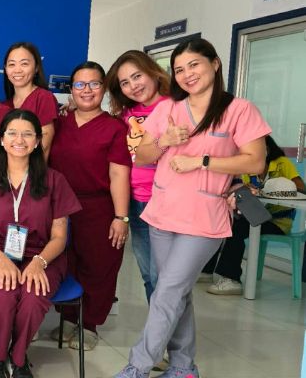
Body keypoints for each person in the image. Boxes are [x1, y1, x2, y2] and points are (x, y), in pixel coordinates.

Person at [114, 38, 270, 378]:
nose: (187, 74)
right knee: (177, 292)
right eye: (179, 69)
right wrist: (165, 141)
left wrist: (201, 159)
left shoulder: (239, 109)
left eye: (194, 65)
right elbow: (141, 155)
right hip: (162, 213)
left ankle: (136, 367)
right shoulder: (167, 109)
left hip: (204, 218)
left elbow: (256, 162)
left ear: (214, 64)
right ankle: (184, 367)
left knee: (168, 290)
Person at [0, 110, 81, 378]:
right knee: (3, 293)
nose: (19, 139)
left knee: (32, 297)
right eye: (12, 133)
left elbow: (59, 237)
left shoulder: (55, 180)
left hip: (43, 256)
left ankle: (18, 357)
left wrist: (39, 262)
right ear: (1, 139)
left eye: (27, 134)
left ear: (37, 141)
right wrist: (2, 260)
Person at [48, 61, 131, 350]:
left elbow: (119, 173)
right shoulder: (59, 123)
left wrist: (121, 217)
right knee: (65, 264)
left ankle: (89, 325)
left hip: (98, 208)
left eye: (94, 84)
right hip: (59, 208)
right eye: (80, 85)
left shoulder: (114, 128)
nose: (87, 90)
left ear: (104, 89)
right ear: (71, 90)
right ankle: (68, 320)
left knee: (99, 267)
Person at [104, 50, 171, 302]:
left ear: (152, 72)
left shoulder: (174, 106)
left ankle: (167, 332)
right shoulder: (127, 114)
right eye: (125, 82)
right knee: (148, 275)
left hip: (165, 200)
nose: (133, 86)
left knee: (163, 275)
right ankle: (159, 333)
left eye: (137, 76)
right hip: (136, 200)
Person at [202, 135, 305, 295]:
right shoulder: (247, 168)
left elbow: (300, 186)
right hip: (255, 213)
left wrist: (274, 190)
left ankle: (231, 279)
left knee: (235, 228)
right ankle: (207, 270)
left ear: (266, 150)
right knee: (223, 221)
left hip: (278, 222)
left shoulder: (281, 163)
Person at [2, 43, 59, 156]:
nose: (17, 70)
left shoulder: (44, 98)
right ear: (5, 69)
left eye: (24, 64)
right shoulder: (5, 105)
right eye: (12, 64)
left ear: (36, 68)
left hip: (33, 172)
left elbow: (44, 148)